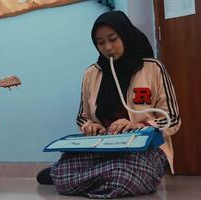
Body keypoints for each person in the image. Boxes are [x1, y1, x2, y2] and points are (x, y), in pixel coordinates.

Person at [37, 11, 181, 198]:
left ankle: (85, 177)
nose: (107, 47)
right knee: (67, 175)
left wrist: (140, 126)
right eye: (100, 42)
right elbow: (83, 117)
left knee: (122, 177)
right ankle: (100, 176)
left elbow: (172, 119)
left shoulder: (152, 68)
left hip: (145, 148)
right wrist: (90, 126)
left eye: (113, 39)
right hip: (104, 148)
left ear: (125, 34)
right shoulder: (91, 74)